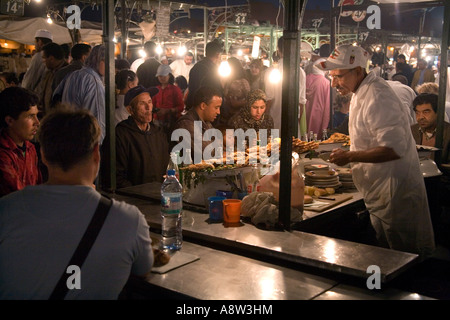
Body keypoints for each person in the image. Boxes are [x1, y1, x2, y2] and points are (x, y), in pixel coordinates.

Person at [0, 109, 154, 299]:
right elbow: (143, 270)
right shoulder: (129, 220)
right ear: (96, 154)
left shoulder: (6, 209)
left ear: (43, 155)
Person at [320, 44, 435, 258]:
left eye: (338, 76)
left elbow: (393, 148)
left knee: (404, 258)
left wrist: (350, 156)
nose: (334, 83)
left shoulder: (378, 95)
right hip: (379, 192)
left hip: (395, 193)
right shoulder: (360, 92)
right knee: (388, 255)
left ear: (357, 71)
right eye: (331, 77)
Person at [116, 85, 169, 188]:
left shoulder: (158, 133)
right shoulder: (121, 134)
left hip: (158, 196)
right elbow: (117, 176)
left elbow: (166, 167)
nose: (148, 108)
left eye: (149, 102)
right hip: (135, 199)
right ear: (130, 109)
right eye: (142, 103)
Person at [54, 44, 106, 144]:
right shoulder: (94, 81)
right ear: (100, 61)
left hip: (70, 136)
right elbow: (97, 119)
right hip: (87, 142)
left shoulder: (74, 74)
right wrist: (97, 147)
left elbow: (56, 97)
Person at [0, 87, 42, 198]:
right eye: (30, 116)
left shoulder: (30, 148)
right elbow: (19, 196)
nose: (37, 122)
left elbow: (38, 186)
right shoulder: (3, 154)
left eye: (37, 115)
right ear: (10, 121)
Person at [264, 36, 307, 135]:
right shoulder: (300, 72)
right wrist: (300, 125)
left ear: (278, 50)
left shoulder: (270, 71)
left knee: (274, 149)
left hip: (274, 120)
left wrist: (264, 122)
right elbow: (301, 102)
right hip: (293, 122)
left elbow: (269, 99)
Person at [173, 86, 223, 162]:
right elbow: (207, 152)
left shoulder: (206, 122)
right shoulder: (186, 124)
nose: (218, 112)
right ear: (203, 106)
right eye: (216, 107)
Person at [411, 93, 450, 164]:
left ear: (438, 112)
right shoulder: (411, 130)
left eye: (426, 112)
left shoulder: (448, 132)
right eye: (417, 113)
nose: (420, 117)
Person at [186, 40, 223, 110]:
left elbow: (191, 87)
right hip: (206, 108)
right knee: (202, 121)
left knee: (197, 121)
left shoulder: (195, 67)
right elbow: (217, 90)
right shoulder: (213, 69)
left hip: (194, 107)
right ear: (218, 55)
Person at [152, 64, 185, 139]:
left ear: (169, 75)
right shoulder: (155, 90)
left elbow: (181, 107)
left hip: (171, 121)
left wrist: (167, 111)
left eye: (164, 76)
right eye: (160, 76)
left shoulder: (175, 90)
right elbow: (152, 105)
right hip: (157, 121)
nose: (162, 78)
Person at [39, 43, 68, 116]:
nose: (43, 61)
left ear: (51, 58)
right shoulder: (49, 73)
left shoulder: (67, 74)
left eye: (44, 58)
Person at [304, 58, 330, 140]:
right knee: (315, 140)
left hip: (304, 113)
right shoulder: (325, 82)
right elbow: (327, 105)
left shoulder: (305, 78)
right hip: (318, 114)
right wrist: (325, 126)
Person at [21, 29, 53, 94]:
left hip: (36, 94)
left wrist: (23, 92)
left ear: (40, 42)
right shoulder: (52, 56)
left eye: (35, 42)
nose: (34, 45)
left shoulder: (38, 56)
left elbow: (30, 78)